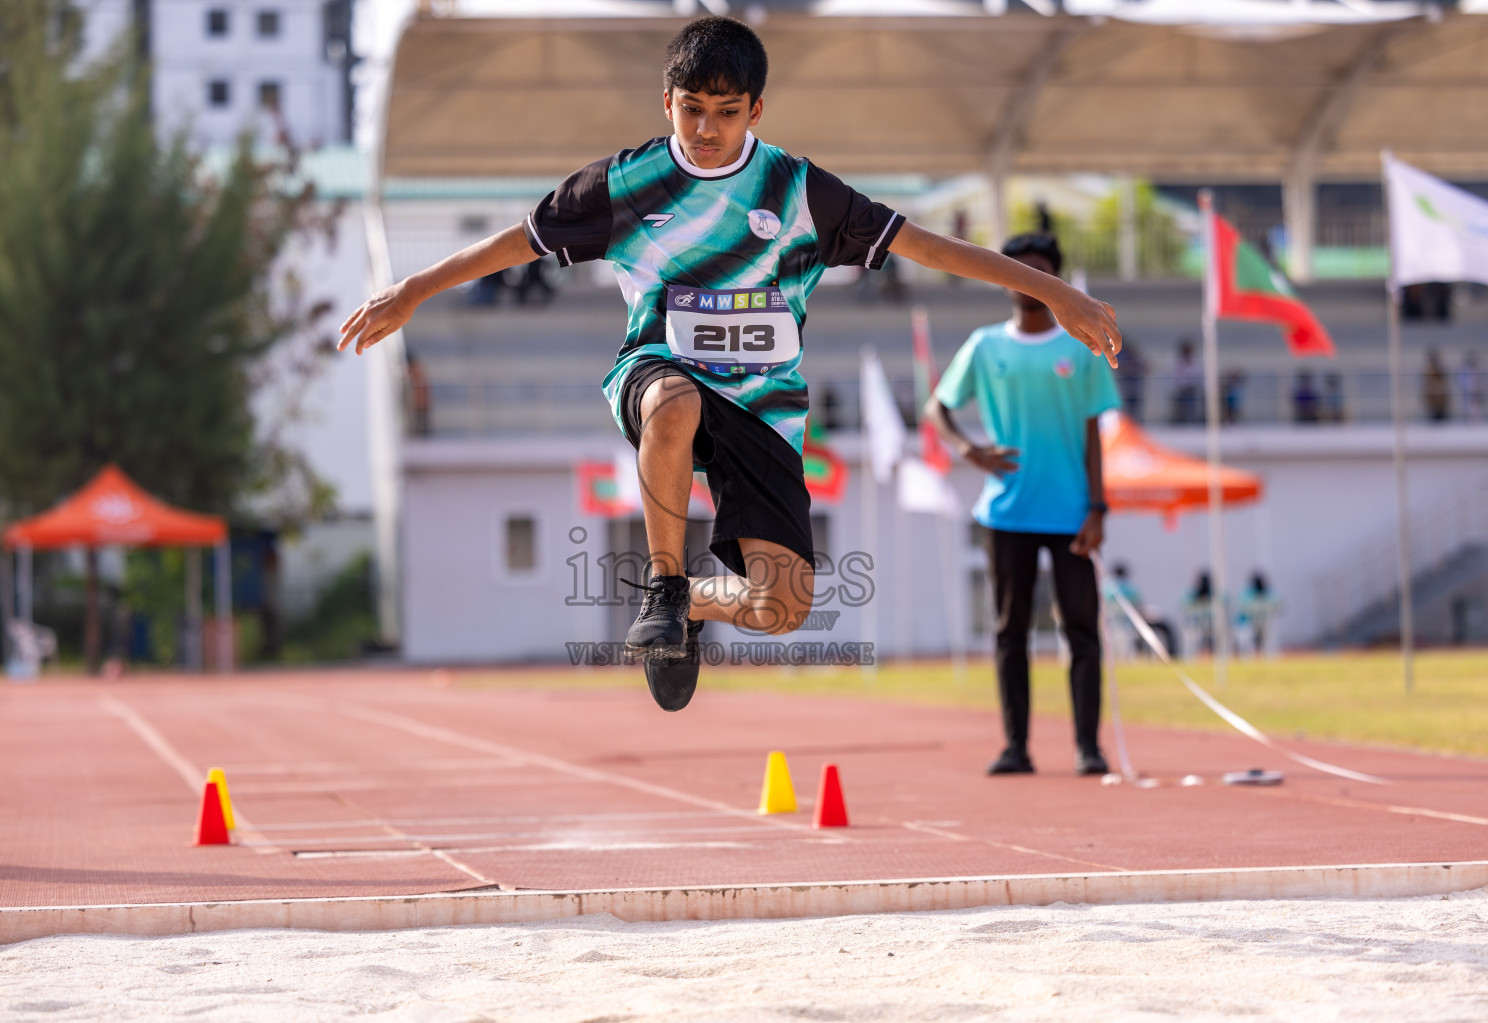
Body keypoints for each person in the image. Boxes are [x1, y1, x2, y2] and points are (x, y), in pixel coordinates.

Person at [338, 18, 1121, 713]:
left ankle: (685, 613)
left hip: (765, 407)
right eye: (690, 110)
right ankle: (664, 582)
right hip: (658, 371)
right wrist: (412, 292)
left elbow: (927, 246)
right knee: (674, 404)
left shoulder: (800, 190)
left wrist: (1053, 292)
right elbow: (520, 241)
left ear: (755, 111)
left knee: (782, 608)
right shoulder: (625, 184)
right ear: (667, 100)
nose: (705, 130)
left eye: (725, 113)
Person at [926, 233, 1121, 777]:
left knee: (1081, 631)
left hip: (1071, 512)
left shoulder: (1077, 347)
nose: (1028, 281)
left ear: (1054, 280)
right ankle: (1016, 746)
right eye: (1018, 270)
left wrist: (1098, 507)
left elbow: (1092, 433)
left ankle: (1088, 746)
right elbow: (937, 406)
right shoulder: (985, 346)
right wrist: (968, 448)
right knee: (1010, 631)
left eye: (1039, 271)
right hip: (1006, 512)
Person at [1170, 339, 1201, 424]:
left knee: (1191, 406)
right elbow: (1177, 373)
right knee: (1182, 406)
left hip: (1191, 387)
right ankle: (1183, 421)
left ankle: (1190, 421)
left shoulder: (1194, 360)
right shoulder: (1179, 361)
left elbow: (1196, 372)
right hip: (1182, 387)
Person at [1423, 349, 1451, 422]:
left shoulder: (1440, 367)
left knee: (1441, 413)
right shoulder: (1428, 368)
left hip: (1440, 394)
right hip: (1433, 393)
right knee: (1434, 412)